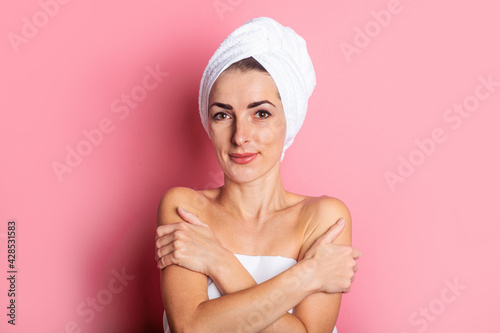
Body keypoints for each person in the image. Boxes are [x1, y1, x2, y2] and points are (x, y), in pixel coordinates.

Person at [155, 17, 361, 332]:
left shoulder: (323, 217)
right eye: (223, 115)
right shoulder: (184, 207)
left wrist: (218, 260)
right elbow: (191, 328)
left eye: (261, 113)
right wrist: (308, 274)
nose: (240, 136)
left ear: (288, 121)